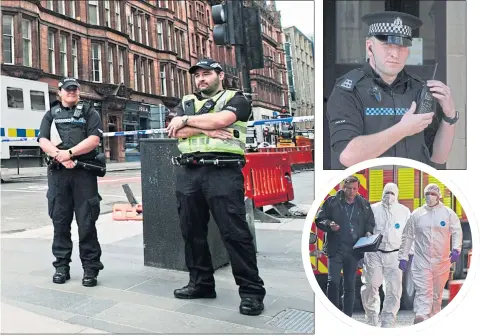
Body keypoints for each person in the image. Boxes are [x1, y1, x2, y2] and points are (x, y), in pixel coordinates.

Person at [166, 58, 266, 316]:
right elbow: (174, 132)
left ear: (220, 75)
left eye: (207, 73)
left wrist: (189, 122)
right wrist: (206, 130)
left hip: (222, 172)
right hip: (189, 171)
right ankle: (201, 284)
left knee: (235, 234)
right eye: (197, 75)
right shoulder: (187, 100)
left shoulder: (237, 98)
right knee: (192, 231)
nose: (201, 79)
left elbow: (222, 120)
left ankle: (251, 292)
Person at [326, 11, 459, 169]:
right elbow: (348, 155)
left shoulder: (418, 89)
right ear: (369, 47)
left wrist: (450, 116)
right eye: (387, 44)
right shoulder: (348, 90)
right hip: (369, 188)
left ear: (408, 51)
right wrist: (403, 130)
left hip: (411, 185)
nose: (395, 54)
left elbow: (438, 157)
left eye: (402, 46)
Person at [38, 77, 104, 287]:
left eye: (75, 89)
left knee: (86, 223)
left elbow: (94, 140)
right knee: (60, 222)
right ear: (60, 93)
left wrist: (70, 154)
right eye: (68, 90)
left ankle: (90, 270)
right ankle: (61, 267)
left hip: (83, 174)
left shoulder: (90, 112)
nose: (72, 92)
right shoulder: (51, 114)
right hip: (59, 175)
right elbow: (42, 140)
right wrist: (60, 156)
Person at [398, 183, 462, 324]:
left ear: (439, 196)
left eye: (433, 194)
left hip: (442, 261)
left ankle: (433, 319)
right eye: (427, 193)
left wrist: (456, 249)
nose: (430, 196)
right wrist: (403, 256)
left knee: (436, 294)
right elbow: (408, 236)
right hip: (421, 260)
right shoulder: (417, 214)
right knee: (423, 290)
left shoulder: (448, 213)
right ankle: (421, 316)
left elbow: (457, 231)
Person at [314, 175, 375, 317]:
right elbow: (320, 220)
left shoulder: (363, 204)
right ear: (343, 187)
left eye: (354, 189)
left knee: (349, 284)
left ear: (358, 189)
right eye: (348, 188)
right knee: (333, 281)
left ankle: (347, 315)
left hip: (354, 250)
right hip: (336, 248)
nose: (351, 192)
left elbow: (370, 222)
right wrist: (330, 225)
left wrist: (368, 231)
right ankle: (333, 312)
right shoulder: (332, 202)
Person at [360, 183, 411, 327]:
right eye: (387, 192)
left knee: (394, 290)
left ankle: (388, 322)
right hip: (374, 253)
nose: (389, 196)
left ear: (397, 194)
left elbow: (409, 234)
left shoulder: (404, 211)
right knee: (371, 285)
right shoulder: (373, 209)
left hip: (395, 255)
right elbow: (364, 229)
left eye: (392, 193)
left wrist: (408, 255)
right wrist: (361, 253)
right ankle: (371, 319)